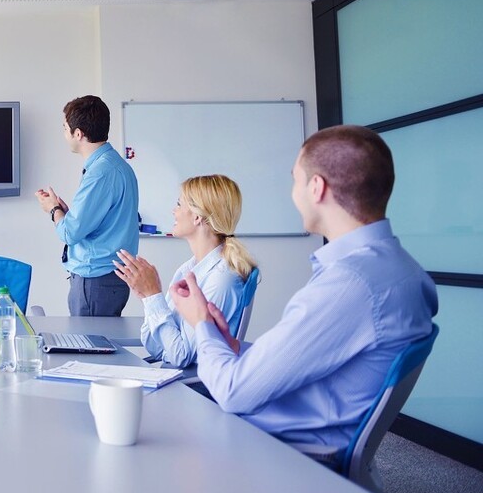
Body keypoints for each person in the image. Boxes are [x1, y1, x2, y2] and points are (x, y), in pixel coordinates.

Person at [171, 125, 437, 452]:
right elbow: (317, 355)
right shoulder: (404, 270)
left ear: (316, 188)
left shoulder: (349, 285)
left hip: (276, 450)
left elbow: (231, 391)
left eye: (295, 180)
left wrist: (200, 323)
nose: (292, 192)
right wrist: (229, 344)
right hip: (296, 432)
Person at [113, 175, 257, 368]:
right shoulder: (189, 269)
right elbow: (155, 347)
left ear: (197, 216)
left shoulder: (222, 280)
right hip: (174, 375)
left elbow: (181, 357)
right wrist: (148, 299)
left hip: (194, 387)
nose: (174, 211)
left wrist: (153, 296)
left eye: (179, 204)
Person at [36, 95, 139, 316]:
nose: (64, 134)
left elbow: (70, 233)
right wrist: (65, 212)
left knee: (88, 348)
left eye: (65, 128)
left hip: (96, 281)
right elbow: (99, 224)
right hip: (107, 279)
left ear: (78, 134)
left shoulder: (100, 173)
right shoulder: (116, 165)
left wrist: (53, 210)